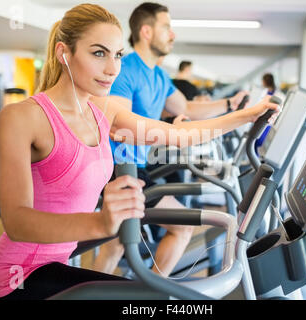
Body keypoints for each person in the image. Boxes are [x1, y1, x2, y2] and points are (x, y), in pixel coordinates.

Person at [0, 3, 279, 300]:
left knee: (154, 296)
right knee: (149, 300)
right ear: (64, 53)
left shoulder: (102, 112)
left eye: (118, 55)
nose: (112, 69)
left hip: (58, 263)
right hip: (20, 275)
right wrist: (100, 222)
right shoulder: (22, 117)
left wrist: (246, 115)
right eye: (98, 53)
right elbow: (16, 221)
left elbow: (177, 135)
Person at [93, 2, 252, 278]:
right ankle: (150, 297)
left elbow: (187, 108)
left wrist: (230, 104)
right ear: (146, 31)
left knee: (117, 246)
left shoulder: (159, 75)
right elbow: (117, 126)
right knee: (180, 228)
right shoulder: (125, 69)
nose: (172, 34)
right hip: (117, 171)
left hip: (137, 168)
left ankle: (108, 292)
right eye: (166, 27)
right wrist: (172, 133)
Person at [255, 73, 286, 153]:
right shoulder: (264, 93)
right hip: (259, 120)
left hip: (269, 123)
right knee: (255, 142)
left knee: (259, 143)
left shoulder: (279, 95)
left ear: (265, 81)